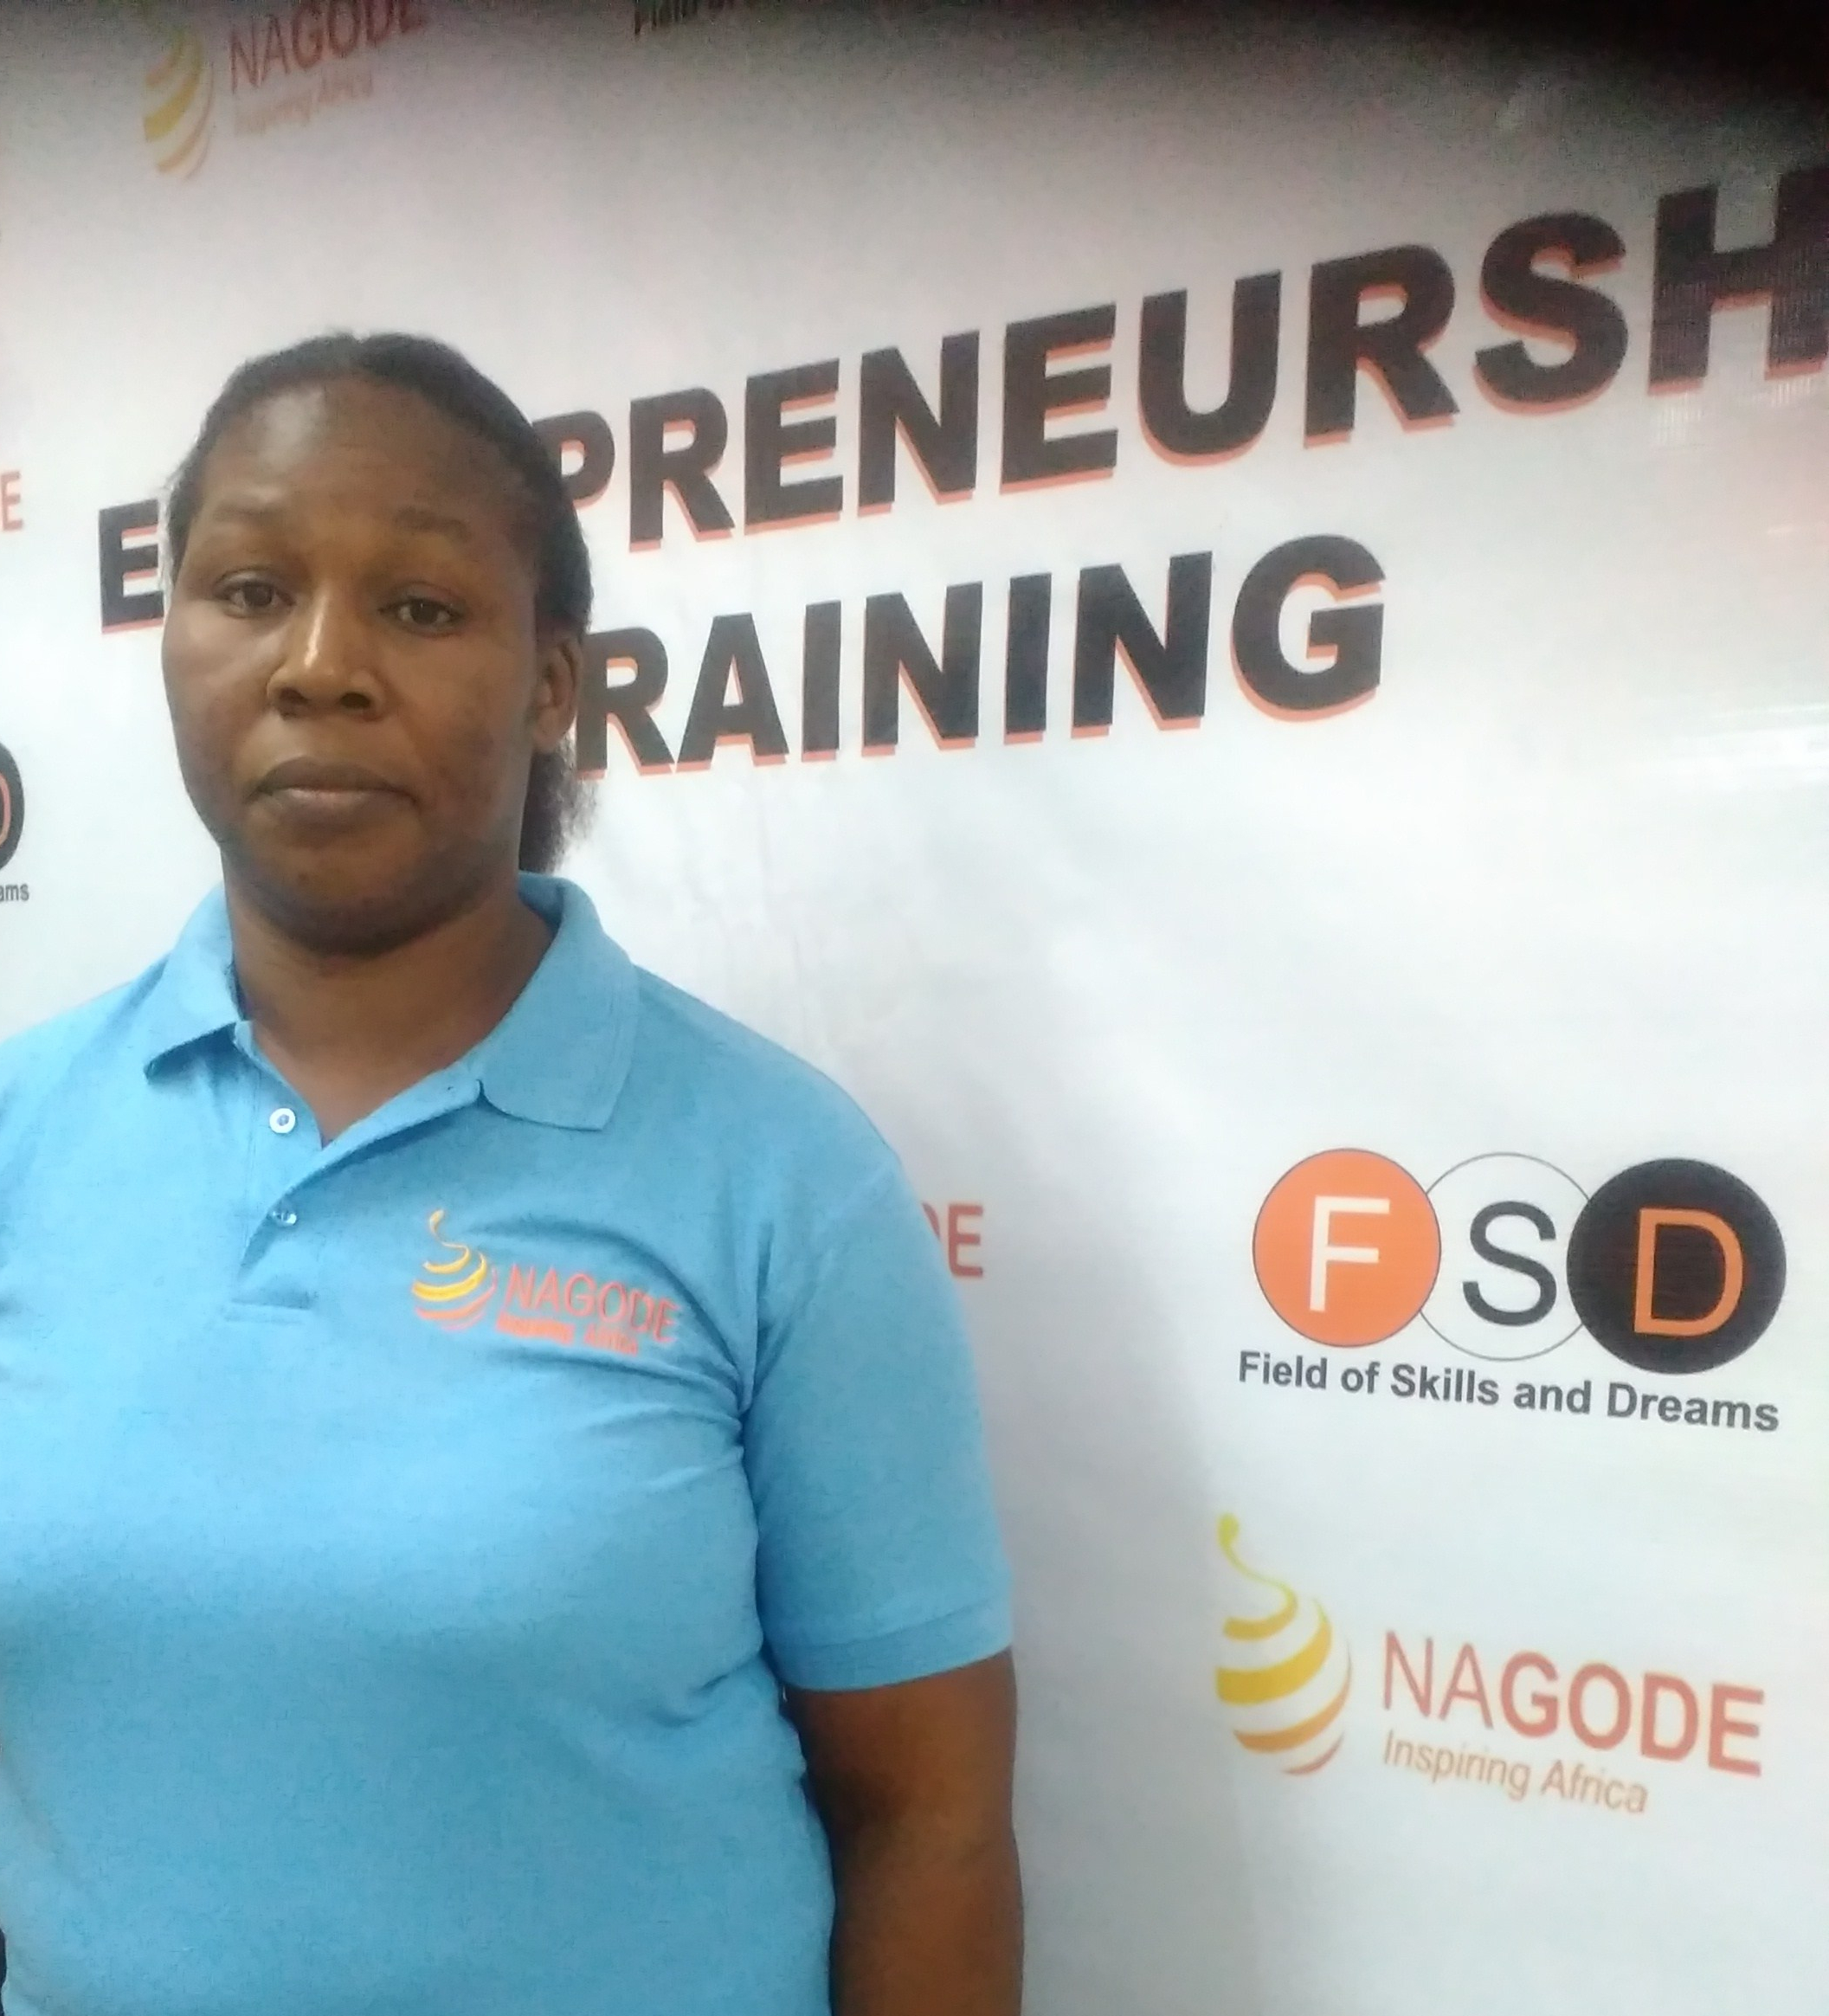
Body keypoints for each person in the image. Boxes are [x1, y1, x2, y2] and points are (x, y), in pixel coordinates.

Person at [0, 333, 1021, 2016]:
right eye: (250, 589)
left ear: (552, 684)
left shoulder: (779, 1178)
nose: (320, 666)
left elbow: (929, 1819)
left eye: (418, 606)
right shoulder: (24, 1131)